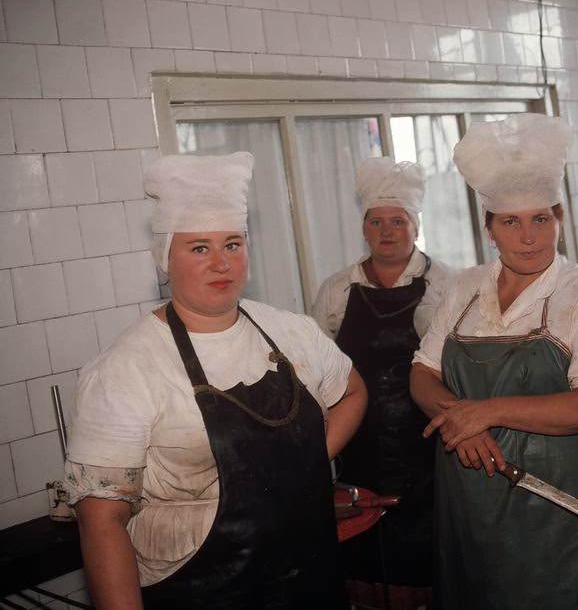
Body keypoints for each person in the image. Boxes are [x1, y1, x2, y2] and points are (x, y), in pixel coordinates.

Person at [65, 152, 367, 610]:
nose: (222, 263)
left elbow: (352, 392)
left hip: (309, 575)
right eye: (199, 248)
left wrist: (304, 462)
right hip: (198, 587)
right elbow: (101, 519)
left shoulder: (291, 331)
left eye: (233, 244)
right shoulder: (127, 368)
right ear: (166, 258)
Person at [410, 114, 578, 609]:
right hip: (471, 495)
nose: (529, 236)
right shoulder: (464, 288)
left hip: (557, 497)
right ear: (490, 228)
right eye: (511, 221)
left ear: (559, 220)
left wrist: (484, 413)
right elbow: (422, 373)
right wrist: (458, 421)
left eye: (541, 219)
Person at [312, 156, 451, 607]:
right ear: (364, 228)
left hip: (430, 441)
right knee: (364, 549)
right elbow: (317, 368)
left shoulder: (447, 285)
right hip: (358, 442)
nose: (387, 231)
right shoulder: (337, 290)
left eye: (398, 220)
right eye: (376, 221)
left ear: (415, 227)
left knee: (430, 551)